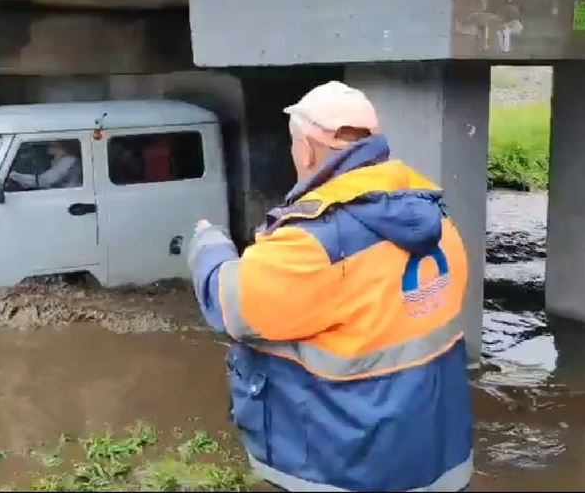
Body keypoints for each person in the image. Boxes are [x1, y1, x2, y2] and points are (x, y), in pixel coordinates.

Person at [185, 81, 474, 492]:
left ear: (305, 149)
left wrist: (207, 244)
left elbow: (231, 305)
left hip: (343, 468)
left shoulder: (315, 243)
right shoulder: (437, 221)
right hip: (438, 462)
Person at [8, 140, 82, 190]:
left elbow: (46, 181)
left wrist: (14, 176)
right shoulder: (61, 160)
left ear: (62, 148)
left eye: (52, 146)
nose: (49, 148)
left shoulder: (68, 161)